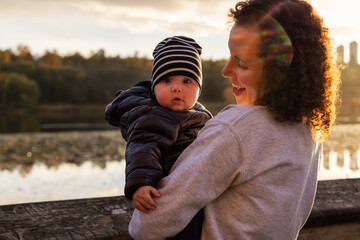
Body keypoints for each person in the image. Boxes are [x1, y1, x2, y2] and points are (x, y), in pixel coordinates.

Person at [128, 0, 341, 239]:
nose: (226, 70)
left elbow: (148, 225)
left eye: (242, 63)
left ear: (280, 73)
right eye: (231, 56)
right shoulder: (309, 128)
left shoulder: (236, 128)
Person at [105, 36, 212, 239]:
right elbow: (143, 150)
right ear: (154, 86)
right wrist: (142, 185)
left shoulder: (198, 114)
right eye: (167, 80)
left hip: (191, 192)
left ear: (199, 88)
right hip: (165, 196)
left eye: (187, 81)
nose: (177, 88)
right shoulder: (152, 116)